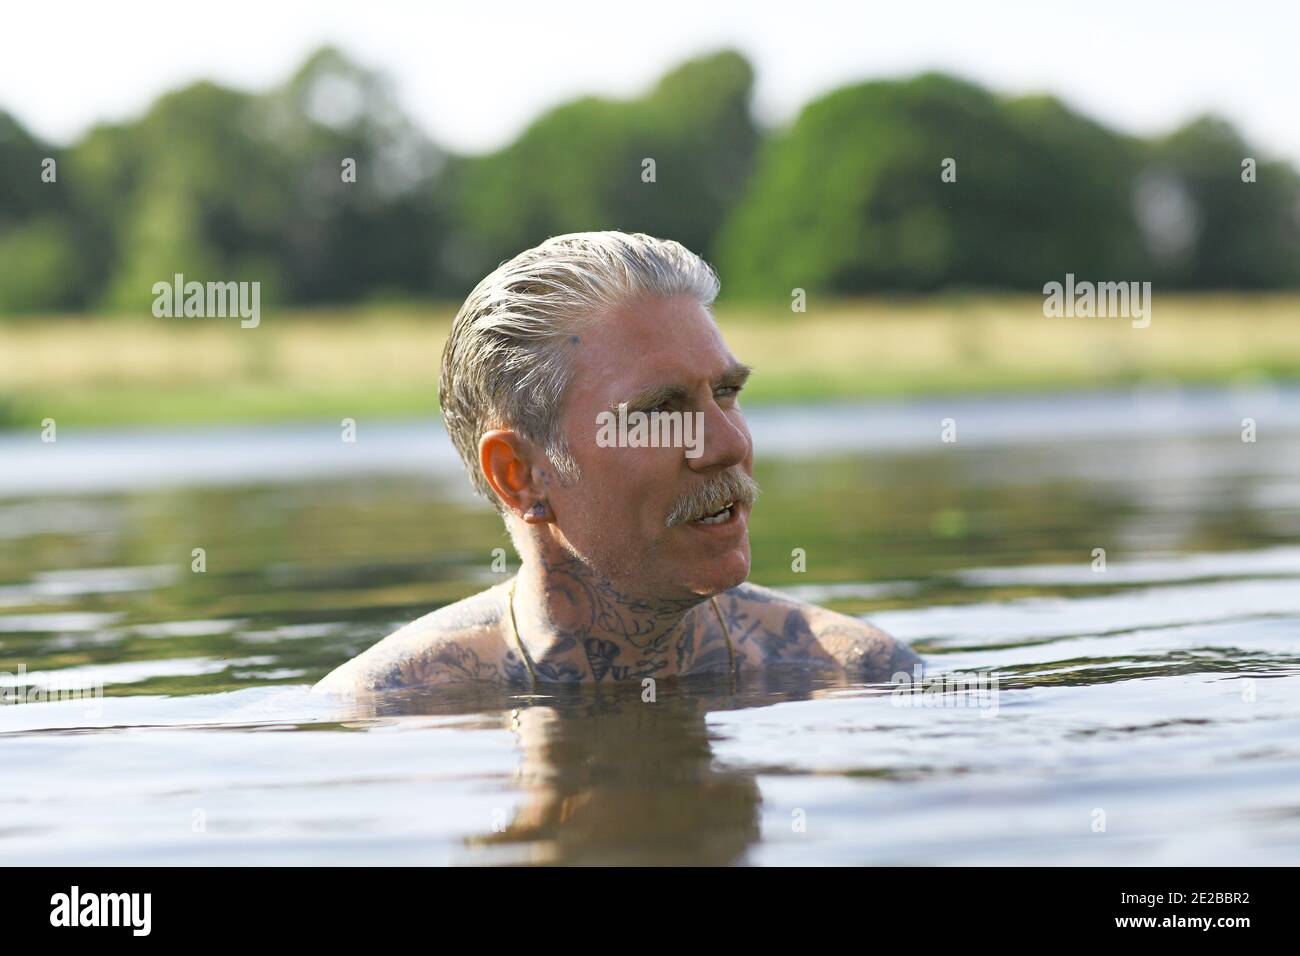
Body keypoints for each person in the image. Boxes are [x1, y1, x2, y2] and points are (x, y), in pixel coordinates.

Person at [315, 231, 920, 693]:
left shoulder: (848, 674)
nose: (729, 445)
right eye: (660, 411)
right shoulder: (399, 709)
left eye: (727, 393)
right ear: (518, 474)